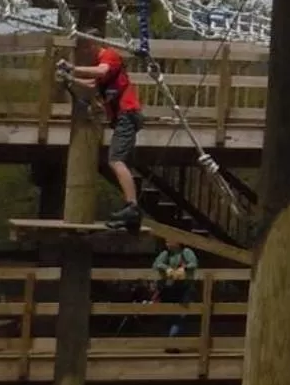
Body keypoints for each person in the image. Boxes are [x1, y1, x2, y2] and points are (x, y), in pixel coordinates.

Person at [58, 45, 144, 229]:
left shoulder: (109, 56)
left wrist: (72, 67)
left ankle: (133, 207)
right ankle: (132, 217)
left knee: (115, 160)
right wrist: (70, 78)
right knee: (120, 161)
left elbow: (101, 71)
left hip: (127, 114)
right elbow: (92, 84)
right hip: (123, 117)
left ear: (91, 46)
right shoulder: (102, 65)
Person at [152, 242, 200, 336]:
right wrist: (167, 268)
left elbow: (193, 263)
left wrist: (184, 268)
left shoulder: (186, 251)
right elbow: (156, 264)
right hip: (169, 288)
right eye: (166, 241)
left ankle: (173, 341)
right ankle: (169, 341)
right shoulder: (166, 253)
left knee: (180, 315)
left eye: (170, 240)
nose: (167, 242)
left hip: (184, 287)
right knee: (168, 314)